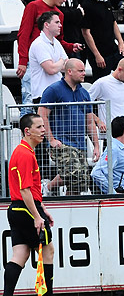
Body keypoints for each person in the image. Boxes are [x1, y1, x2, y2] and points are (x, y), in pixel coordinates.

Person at [4, 113, 54, 296]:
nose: (43, 130)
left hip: (16, 209)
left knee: (20, 255)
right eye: (39, 127)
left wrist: (43, 209)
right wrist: (37, 215)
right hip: (25, 209)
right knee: (48, 251)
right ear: (27, 131)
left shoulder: (22, 151)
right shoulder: (25, 154)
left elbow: (29, 190)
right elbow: (25, 190)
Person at [38, 58, 99, 195]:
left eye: (84, 70)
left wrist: (96, 146)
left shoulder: (84, 93)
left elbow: (89, 122)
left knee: (80, 182)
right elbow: (42, 115)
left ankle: (71, 207)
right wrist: (51, 140)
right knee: (74, 171)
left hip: (80, 144)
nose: (84, 73)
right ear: (69, 71)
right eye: (81, 71)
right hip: (61, 143)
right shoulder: (53, 90)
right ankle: (47, 187)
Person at [80, 0, 124, 78]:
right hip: (101, 54)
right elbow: (86, 32)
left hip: (113, 49)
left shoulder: (106, 1)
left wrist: (121, 42)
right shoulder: (87, 5)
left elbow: (113, 22)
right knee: (102, 83)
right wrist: (97, 55)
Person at [28, 11, 69, 108]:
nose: (60, 25)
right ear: (46, 25)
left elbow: (67, 66)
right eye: (57, 22)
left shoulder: (56, 42)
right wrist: (61, 61)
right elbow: (51, 69)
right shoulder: (38, 44)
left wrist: (59, 63)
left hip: (58, 94)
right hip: (42, 95)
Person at [91, 116, 124, 194]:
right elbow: (96, 173)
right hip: (123, 194)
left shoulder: (118, 148)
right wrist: (113, 193)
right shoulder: (114, 149)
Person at [89, 56, 124, 129]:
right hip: (109, 134)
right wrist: (97, 120)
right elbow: (84, 104)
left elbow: (123, 106)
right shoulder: (102, 83)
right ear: (120, 69)